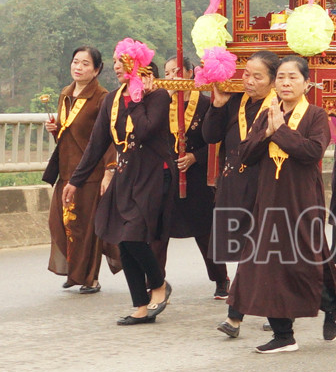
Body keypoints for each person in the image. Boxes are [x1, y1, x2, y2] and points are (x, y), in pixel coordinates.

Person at [228, 55, 336, 354]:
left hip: (302, 198)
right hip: (269, 198)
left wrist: (280, 132)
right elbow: (245, 155)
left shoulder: (316, 115)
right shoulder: (267, 113)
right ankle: (283, 334)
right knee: (267, 263)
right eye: (280, 77)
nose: (286, 83)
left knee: (307, 258)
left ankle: (332, 305)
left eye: (293, 77)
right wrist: (266, 134)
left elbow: (312, 151)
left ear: (306, 82)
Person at [65, 42, 173, 326]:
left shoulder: (159, 96)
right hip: (125, 174)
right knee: (121, 238)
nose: (116, 66)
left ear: (140, 66)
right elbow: (97, 144)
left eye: (122, 61)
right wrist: (75, 181)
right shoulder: (112, 99)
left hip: (152, 175)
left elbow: (147, 130)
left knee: (132, 236)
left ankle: (159, 284)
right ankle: (139, 304)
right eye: (114, 60)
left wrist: (138, 98)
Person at [201, 50, 279, 338]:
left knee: (256, 253)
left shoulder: (279, 106)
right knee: (251, 253)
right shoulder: (234, 101)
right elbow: (210, 136)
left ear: (273, 81)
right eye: (246, 74)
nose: (249, 81)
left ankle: (236, 317)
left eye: (258, 77)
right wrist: (217, 106)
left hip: (265, 187)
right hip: (234, 184)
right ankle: (279, 309)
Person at [157, 53, 229, 296]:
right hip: (167, 175)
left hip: (197, 177)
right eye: (167, 73)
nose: (171, 77)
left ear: (189, 73)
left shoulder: (206, 103)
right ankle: (156, 282)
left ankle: (221, 279)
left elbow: (217, 141)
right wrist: (160, 100)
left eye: (176, 71)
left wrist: (195, 157)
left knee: (205, 231)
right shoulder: (160, 103)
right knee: (159, 232)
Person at [43, 47, 114, 293]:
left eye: (85, 64)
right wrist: (55, 129)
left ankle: (90, 277)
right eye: (75, 62)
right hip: (66, 170)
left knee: (88, 227)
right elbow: (67, 132)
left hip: (90, 172)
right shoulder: (65, 94)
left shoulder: (102, 97)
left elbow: (108, 139)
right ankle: (75, 272)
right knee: (61, 223)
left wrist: (108, 172)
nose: (79, 67)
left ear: (96, 70)